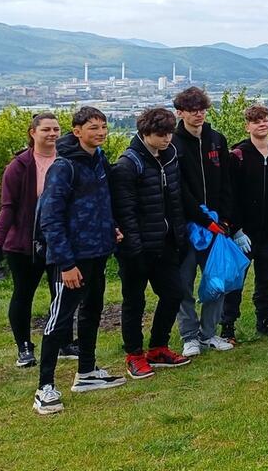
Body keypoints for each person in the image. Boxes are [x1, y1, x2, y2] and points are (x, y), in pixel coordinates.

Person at [33, 107, 125, 415]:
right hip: (71, 259)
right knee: (60, 319)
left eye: (103, 127)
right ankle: (44, 387)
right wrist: (65, 263)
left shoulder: (98, 159)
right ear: (77, 131)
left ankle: (86, 372)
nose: (100, 132)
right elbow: (51, 218)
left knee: (92, 311)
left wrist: (111, 228)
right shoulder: (64, 167)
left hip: (98, 252)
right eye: (93, 127)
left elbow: (99, 203)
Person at [0, 113, 76, 369]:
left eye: (56, 129)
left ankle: (63, 341)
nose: (52, 134)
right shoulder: (19, 166)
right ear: (32, 132)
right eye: (46, 129)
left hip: (59, 241)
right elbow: (7, 207)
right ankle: (24, 346)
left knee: (62, 293)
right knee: (23, 294)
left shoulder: (66, 161)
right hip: (24, 244)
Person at [110, 107, 191, 380]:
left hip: (167, 243)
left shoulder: (170, 159)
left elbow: (175, 201)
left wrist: (179, 236)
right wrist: (133, 248)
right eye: (160, 134)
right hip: (137, 248)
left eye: (169, 133)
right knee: (134, 301)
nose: (167, 139)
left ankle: (158, 347)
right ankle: (134, 354)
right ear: (145, 133)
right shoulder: (128, 164)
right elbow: (125, 210)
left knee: (174, 293)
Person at [172, 86, 236, 355]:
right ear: (180, 112)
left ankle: (209, 333)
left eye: (202, 109)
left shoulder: (216, 140)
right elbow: (179, 189)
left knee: (217, 281)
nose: (198, 114)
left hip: (216, 224)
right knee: (183, 283)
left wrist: (226, 219)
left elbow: (226, 182)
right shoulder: (173, 143)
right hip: (185, 226)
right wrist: (201, 218)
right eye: (192, 110)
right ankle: (189, 336)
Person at [223, 104, 268, 339]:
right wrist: (236, 229)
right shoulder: (237, 156)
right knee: (235, 281)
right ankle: (228, 326)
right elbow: (229, 195)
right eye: (256, 121)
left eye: (265, 120)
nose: (262, 124)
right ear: (248, 126)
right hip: (243, 233)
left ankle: (264, 319)